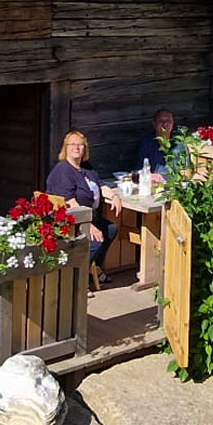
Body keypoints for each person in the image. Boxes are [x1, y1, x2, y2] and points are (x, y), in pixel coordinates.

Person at [45, 130, 121, 291]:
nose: (77, 148)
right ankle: (75, 281)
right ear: (65, 148)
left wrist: (114, 196)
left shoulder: (86, 168)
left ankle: (96, 268)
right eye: (72, 144)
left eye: (80, 144)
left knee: (111, 229)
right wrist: (88, 225)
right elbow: (70, 202)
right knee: (95, 241)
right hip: (71, 221)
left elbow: (101, 185)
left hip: (90, 217)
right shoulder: (63, 170)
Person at [133, 109, 183, 182]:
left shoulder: (179, 142)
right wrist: (150, 176)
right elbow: (139, 170)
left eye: (168, 120)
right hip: (154, 185)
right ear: (154, 123)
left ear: (172, 123)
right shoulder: (146, 143)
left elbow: (187, 168)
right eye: (161, 121)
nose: (165, 124)